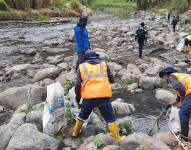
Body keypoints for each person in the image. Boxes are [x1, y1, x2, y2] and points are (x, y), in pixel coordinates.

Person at [72, 50, 125, 142]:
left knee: (82, 116)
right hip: (103, 96)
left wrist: (78, 99)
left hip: (88, 97)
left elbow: (77, 85)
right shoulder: (104, 64)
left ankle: (75, 133)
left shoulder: (81, 67)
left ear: (85, 58)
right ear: (96, 57)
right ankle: (117, 138)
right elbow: (112, 79)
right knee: (110, 117)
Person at [158, 66, 191, 137]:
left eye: (163, 77)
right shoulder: (180, 79)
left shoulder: (171, 77)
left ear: (166, 74)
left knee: (183, 114)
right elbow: (177, 99)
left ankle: (184, 137)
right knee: (185, 112)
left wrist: (181, 103)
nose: (164, 79)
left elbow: (181, 91)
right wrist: (166, 108)